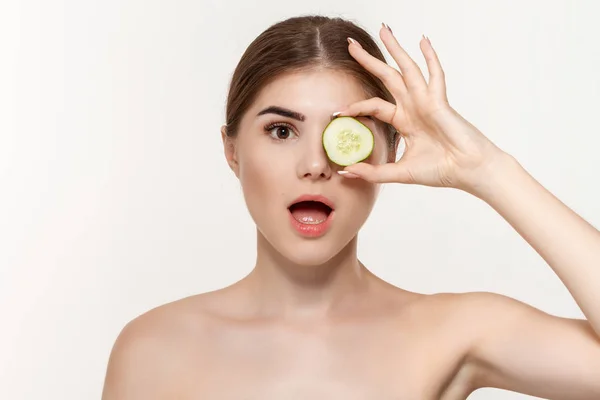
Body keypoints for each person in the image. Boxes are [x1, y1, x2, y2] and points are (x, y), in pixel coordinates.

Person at [101, 15, 600, 399]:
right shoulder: (152, 347)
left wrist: (485, 169)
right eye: (281, 131)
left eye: (345, 135)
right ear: (232, 150)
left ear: (391, 152)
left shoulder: (453, 332)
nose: (316, 164)